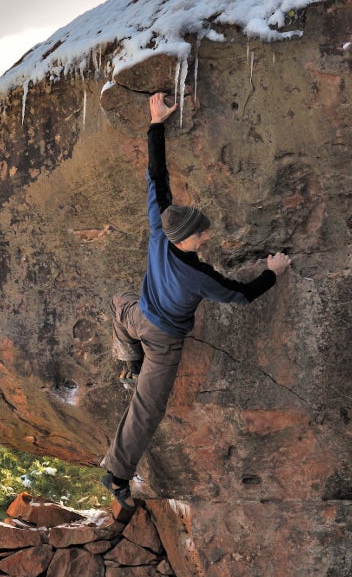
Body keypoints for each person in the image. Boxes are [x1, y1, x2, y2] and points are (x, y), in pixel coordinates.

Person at [101, 92, 291, 510]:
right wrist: (273, 272)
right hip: (164, 340)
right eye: (202, 233)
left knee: (116, 301)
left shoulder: (160, 227)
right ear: (186, 239)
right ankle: (116, 472)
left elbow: (157, 176)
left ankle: (128, 358)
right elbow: (241, 296)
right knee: (147, 409)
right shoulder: (198, 276)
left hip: (138, 315)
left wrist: (156, 123)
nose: (207, 235)